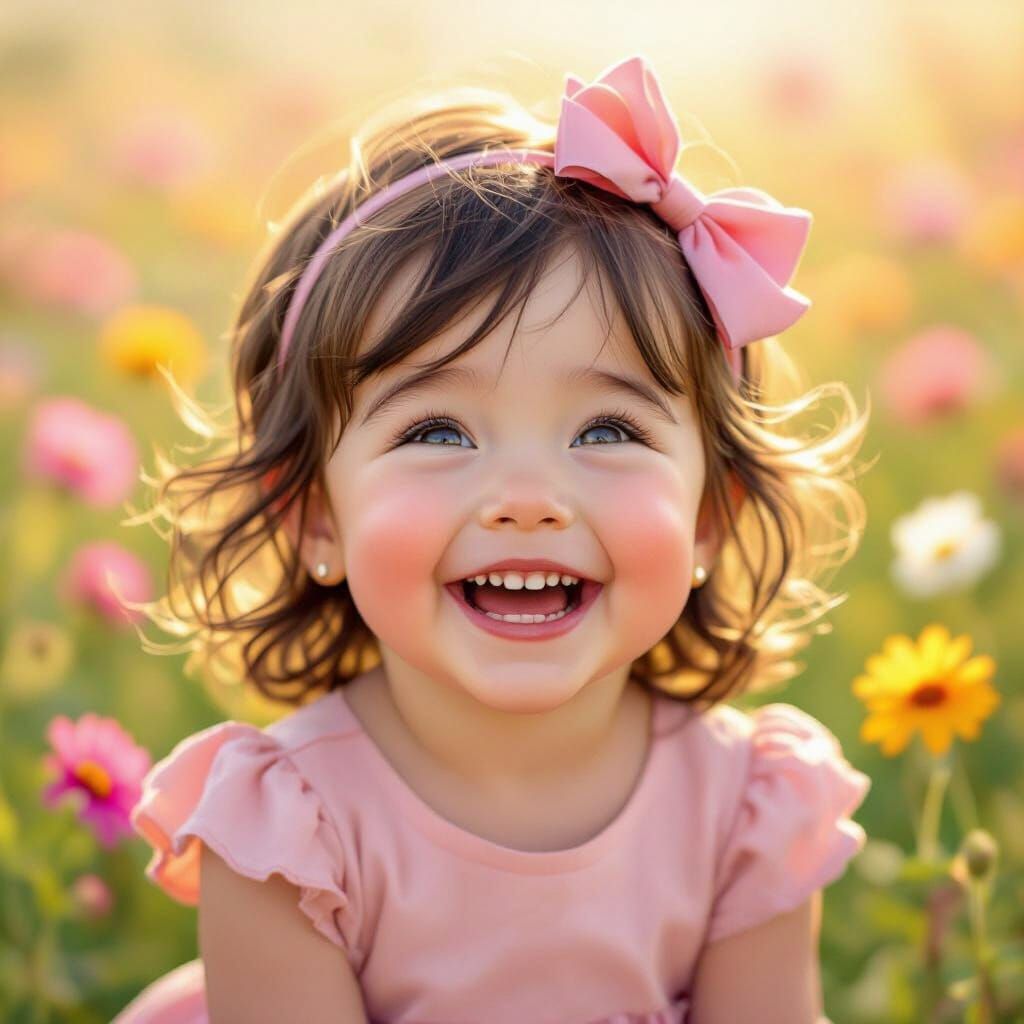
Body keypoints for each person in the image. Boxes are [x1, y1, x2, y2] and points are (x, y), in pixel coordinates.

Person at [114, 53, 872, 1024]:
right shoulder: (284, 830)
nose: (527, 499)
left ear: (709, 516)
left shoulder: (745, 810)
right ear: (314, 516)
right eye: (437, 432)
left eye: (608, 430)